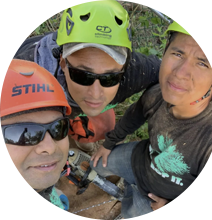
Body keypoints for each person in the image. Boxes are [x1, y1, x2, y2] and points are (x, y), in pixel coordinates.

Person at [91, 1, 212, 219]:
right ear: (165, 50)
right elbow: (135, 115)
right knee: (98, 165)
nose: (180, 73)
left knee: (132, 213)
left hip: (161, 201)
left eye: (202, 63)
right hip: (140, 161)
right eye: (178, 54)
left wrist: (169, 211)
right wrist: (109, 142)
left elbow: (209, 210)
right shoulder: (157, 94)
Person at [9, 0, 161, 152]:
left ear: (124, 68)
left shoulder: (135, 71)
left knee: (103, 126)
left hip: (69, 97)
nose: (95, 93)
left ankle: (81, 137)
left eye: (110, 78)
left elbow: (173, 77)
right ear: (63, 64)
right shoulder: (26, 79)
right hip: (42, 74)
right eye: (82, 75)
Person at [0, 59, 72, 220]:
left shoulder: (19, 177)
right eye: (24, 134)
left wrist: (49, 194)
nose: (50, 147)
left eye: (58, 127)